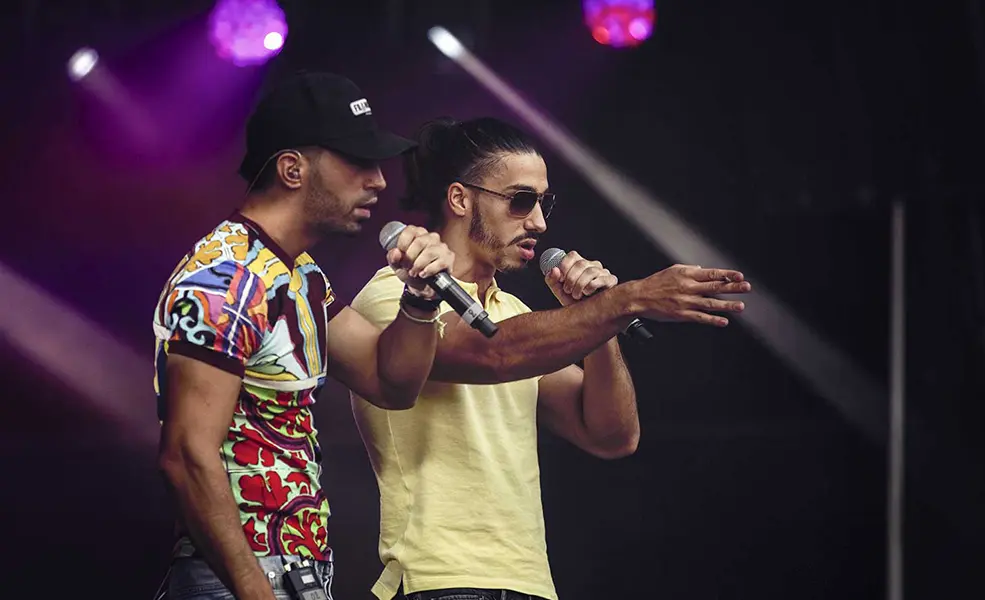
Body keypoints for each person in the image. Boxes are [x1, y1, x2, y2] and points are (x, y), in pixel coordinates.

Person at [348, 117, 753, 600]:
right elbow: (490, 352)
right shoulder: (395, 294)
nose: (539, 222)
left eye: (544, 202)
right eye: (521, 200)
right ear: (459, 199)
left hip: (529, 583)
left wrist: (597, 323)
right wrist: (626, 300)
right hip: (440, 580)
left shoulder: (514, 312)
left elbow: (612, 435)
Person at [152, 72, 458, 600]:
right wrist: (255, 590)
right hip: (237, 579)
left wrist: (420, 297)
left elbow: (391, 383)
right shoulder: (224, 279)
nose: (379, 181)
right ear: (292, 169)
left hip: (294, 575)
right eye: (358, 162)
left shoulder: (299, 273)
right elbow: (185, 455)